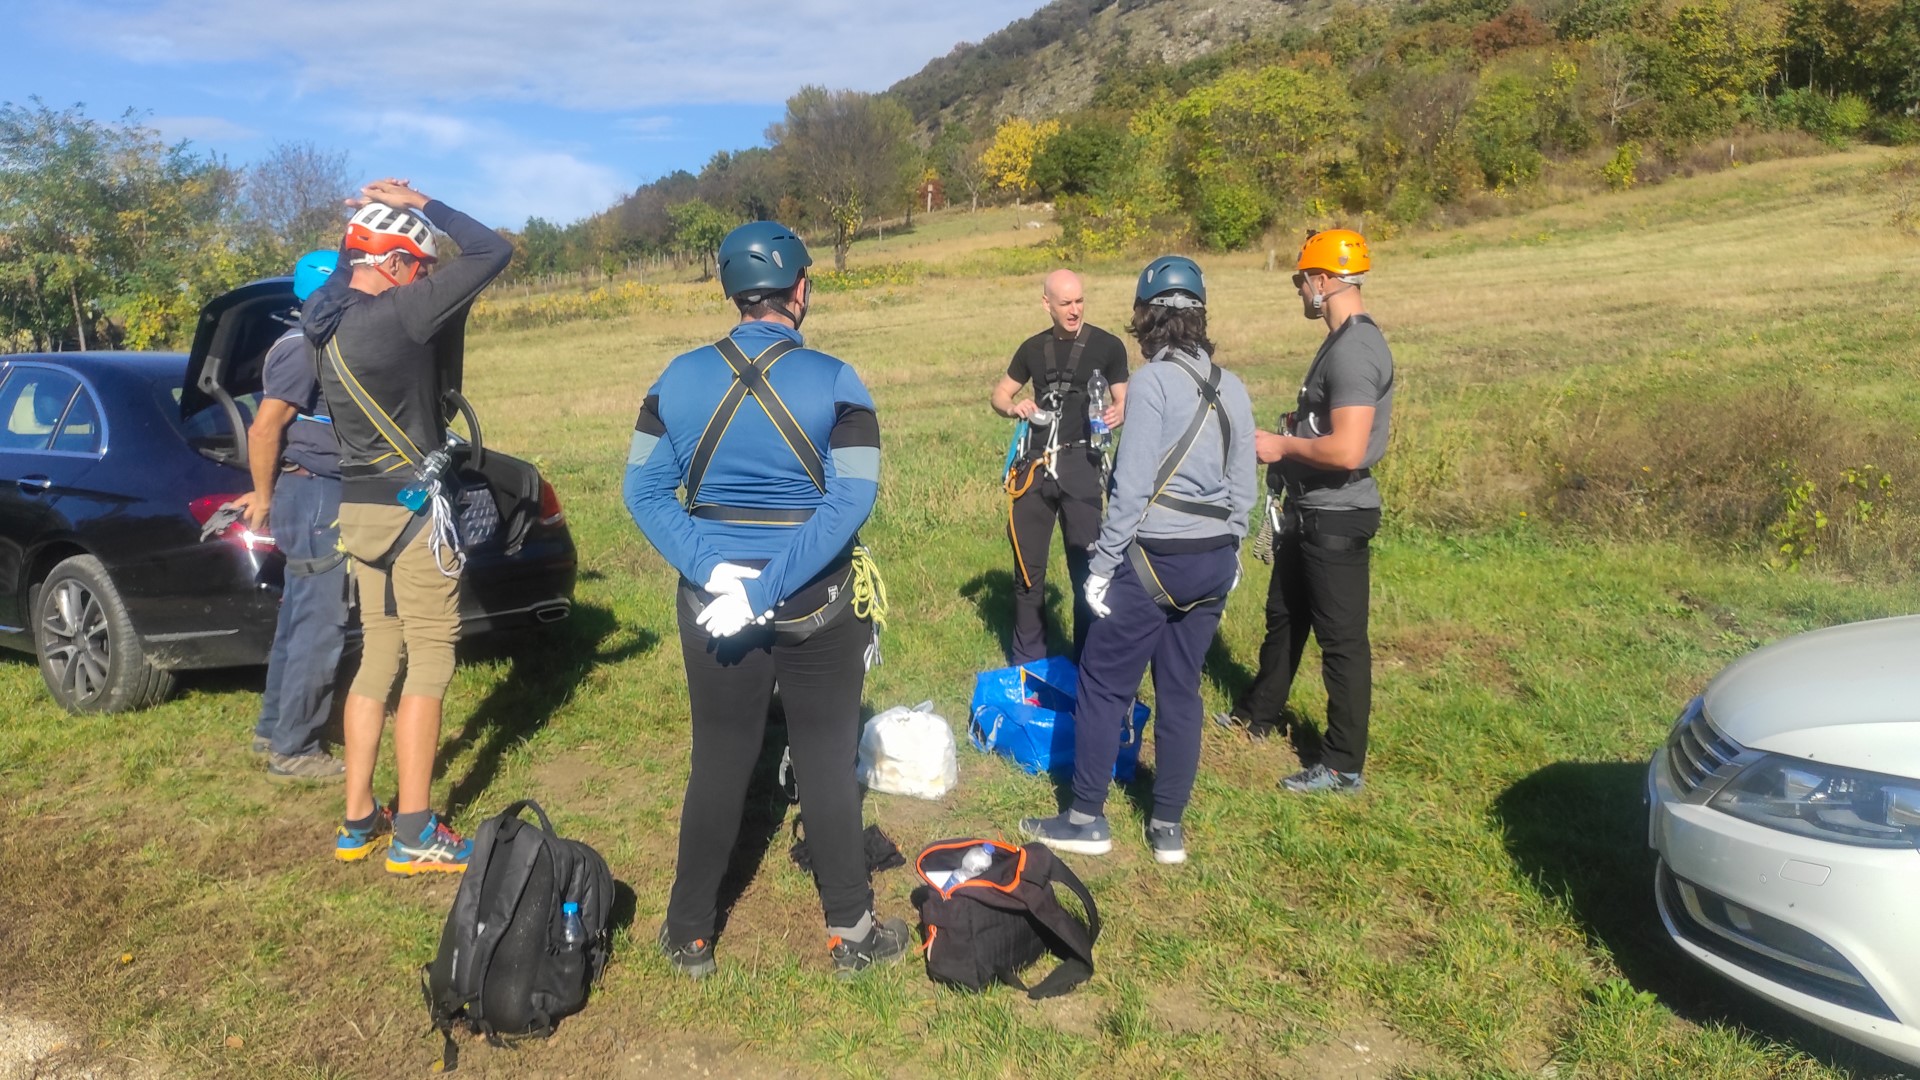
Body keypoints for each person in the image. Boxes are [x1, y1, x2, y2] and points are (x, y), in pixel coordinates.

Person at [625, 221, 906, 978]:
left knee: (718, 758)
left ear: (732, 293)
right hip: (818, 600)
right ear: (801, 292)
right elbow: (851, 502)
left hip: (709, 603)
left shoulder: (673, 379)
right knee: (823, 754)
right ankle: (851, 930)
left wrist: (715, 572)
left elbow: (643, 491)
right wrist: (766, 585)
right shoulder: (840, 380)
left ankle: (688, 934)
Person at [302, 179, 512, 872]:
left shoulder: (325, 322)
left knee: (378, 656)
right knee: (431, 659)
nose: (425, 278)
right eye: (419, 266)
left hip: (359, 511)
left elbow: (347, 268)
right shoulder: (399, 315)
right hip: (414, 513)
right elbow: (491, 249)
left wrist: (361, 228)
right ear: (394, 263)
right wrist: (425, 205)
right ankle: (416, 829)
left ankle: (358, 817)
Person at [1020, 256, 1256, 865]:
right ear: (1199, 315)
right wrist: (1233, 545)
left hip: (1153, 559)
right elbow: (1242, 482)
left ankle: (1085, 817)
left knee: (1102, 683)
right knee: (1182, 690)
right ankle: (1168, 826)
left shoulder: (1151, 381)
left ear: (1147, 318)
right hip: (1212, 562)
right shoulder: (1233, 385)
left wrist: (1101, 565)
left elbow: (1129, 487)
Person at [1217, 229, 1393, 795]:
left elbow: (1347, 450)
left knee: (1341, 641)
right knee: (1285, 617)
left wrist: (1282, 446)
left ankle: (1342, 762)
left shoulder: (1357, 349)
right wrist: (1297, 433)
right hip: (1308, 510)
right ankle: (1257, 714)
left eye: (1301, 280)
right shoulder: (1338, 340)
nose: (1298, 290)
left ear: (1323, 282)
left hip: (1337, 516)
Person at [239, 250, 350, 782]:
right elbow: (264, 430)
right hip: (314, 496)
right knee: (319, 625)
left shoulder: (309, 340)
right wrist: (263, 496)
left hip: (310, 494)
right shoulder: (305, 348)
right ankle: (296, 749)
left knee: (297, 617)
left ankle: (273, 731)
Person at [991, 270, 1128, 663]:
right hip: (1034, 467)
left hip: (1082, 464)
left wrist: (1119, 410)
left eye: (1080, 301)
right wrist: (1012, 406)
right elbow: (1000, 394)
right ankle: (1028, 664)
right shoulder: (1032, 348)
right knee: (1027, 574)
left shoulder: (1108, 346)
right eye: (1066, 303)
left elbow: (1125, 398)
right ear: (1046, 304)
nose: (1075, 310)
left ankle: (1089, 662)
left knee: (1088, 573)